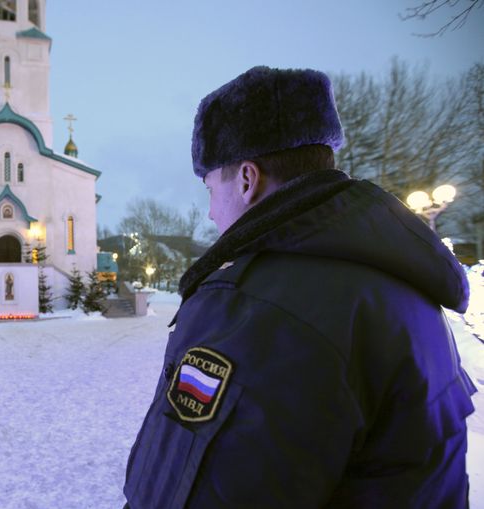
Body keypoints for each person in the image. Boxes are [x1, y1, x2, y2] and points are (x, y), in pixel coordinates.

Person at [123, 66, 476, 508]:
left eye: (210, 187)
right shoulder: (403, 282)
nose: (211, 213)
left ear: (247, 180)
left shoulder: (251, 307)